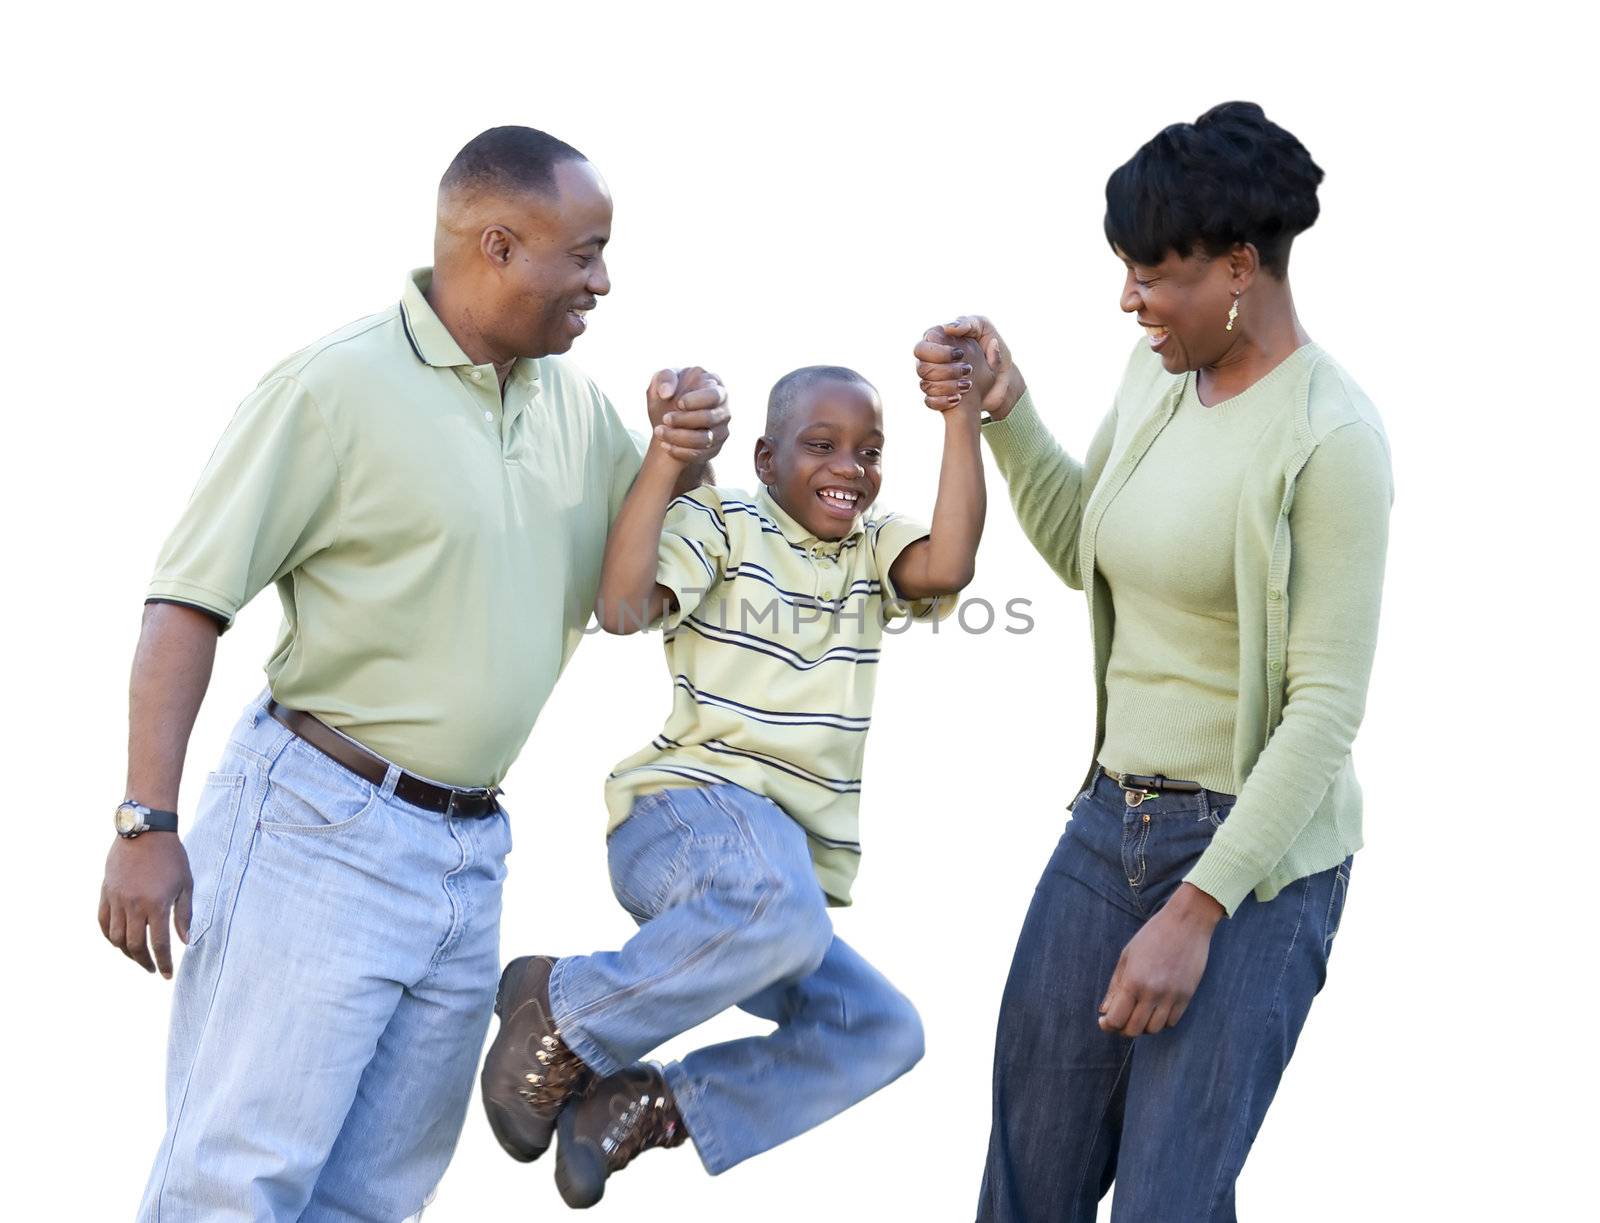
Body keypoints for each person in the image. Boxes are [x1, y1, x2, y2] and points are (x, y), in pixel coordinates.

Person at [97, 125, 732, 1221]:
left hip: (466, 852)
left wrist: (685, 447)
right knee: (234, 1183)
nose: (602, 280)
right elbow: (185, 603)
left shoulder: (568, 403)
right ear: (496, 245)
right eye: (582, 253)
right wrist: (144, 819)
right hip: (316, 827)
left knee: (375, 1198)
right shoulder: (330, 388)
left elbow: (633, 589)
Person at [914, 102, 1393, 1221]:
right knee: (1027, 1184)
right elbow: (1092, 545)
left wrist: (1197, 907)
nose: (1130, 300)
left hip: (1255, 865)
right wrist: (1006, 411)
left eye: (1153, 274)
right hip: (1105, 825)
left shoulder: (1333, 439)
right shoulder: (1158, 375)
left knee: (1167, 1203)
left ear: (1239, 267)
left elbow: (1324, 710)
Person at [479, 364, 985, 1207]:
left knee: (883, 1028)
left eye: (869, 451)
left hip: (771, 894)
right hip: (685, 816)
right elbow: (622, 605)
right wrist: (667, 455)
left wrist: (961, 417)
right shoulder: (724, 522)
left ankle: (647, 1101)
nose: (849, 467)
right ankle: (561, 1008)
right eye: (821, 445)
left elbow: (951, 563)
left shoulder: (872, 550)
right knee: (784, 904)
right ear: (764, 455)